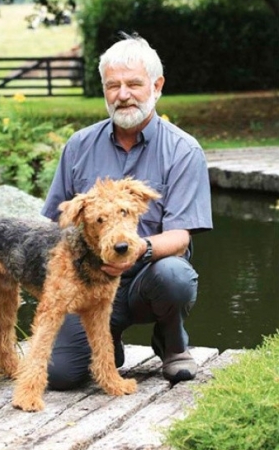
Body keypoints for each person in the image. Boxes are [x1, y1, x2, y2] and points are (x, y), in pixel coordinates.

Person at [41, 33, 213, 387]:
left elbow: (181, 236)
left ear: (157, 85)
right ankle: (109, 343)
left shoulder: (184, 150)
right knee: (60, 375)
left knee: (175, 276)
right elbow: (52, 226)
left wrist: (138, 251)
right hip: (89, 282)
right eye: (112, 85)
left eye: (134, 84)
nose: (122, 95)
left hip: (148, 278)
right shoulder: (78, 146)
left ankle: (171, 340)